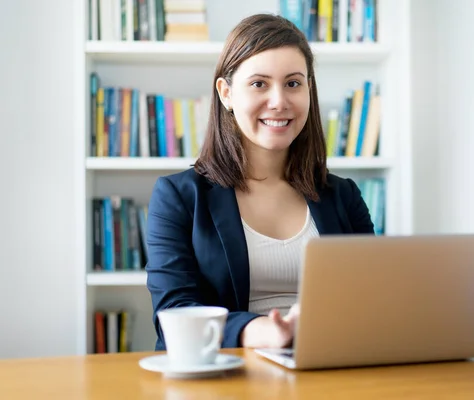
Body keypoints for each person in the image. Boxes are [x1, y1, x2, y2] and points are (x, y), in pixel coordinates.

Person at [146, 13, 375, 351]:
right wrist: (264, 332)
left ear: (309, 90)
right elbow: (174, 313)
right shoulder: (179, 197)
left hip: (329, 369)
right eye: (259, 83)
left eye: (293, 83)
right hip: (227, 374)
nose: (279, 101)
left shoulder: (343, 196)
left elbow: (372, 299)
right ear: (226, 93)